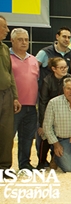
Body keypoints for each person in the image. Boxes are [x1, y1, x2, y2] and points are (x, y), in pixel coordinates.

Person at [10, 28, 39, 170]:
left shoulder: (33, 59)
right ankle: (4, 166)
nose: (24, 42)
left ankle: (24, 164)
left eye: (26, 40)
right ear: (12, 41)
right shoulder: (6, 58)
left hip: (31, 106)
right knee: (8, 138)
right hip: (12, 106)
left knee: (27, 138)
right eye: (20, 39)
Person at [37, 57, 71, 169]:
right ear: (53, 69)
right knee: (45, 135)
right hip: (49, 113)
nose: (64, 69)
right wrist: (43, 124)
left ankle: (56, 159)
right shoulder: (47, 81)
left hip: (65, 114)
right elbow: (43, 102)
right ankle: (42, 161)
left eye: (65, 67)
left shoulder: (69, 79)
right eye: (61, 67)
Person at [0, 16, 21, 176]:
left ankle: (4, 167)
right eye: (4, 27)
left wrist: (15, 96)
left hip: (6, 94)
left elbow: (10, 74)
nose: (7, 30)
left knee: (6, 133)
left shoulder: (5, 49)